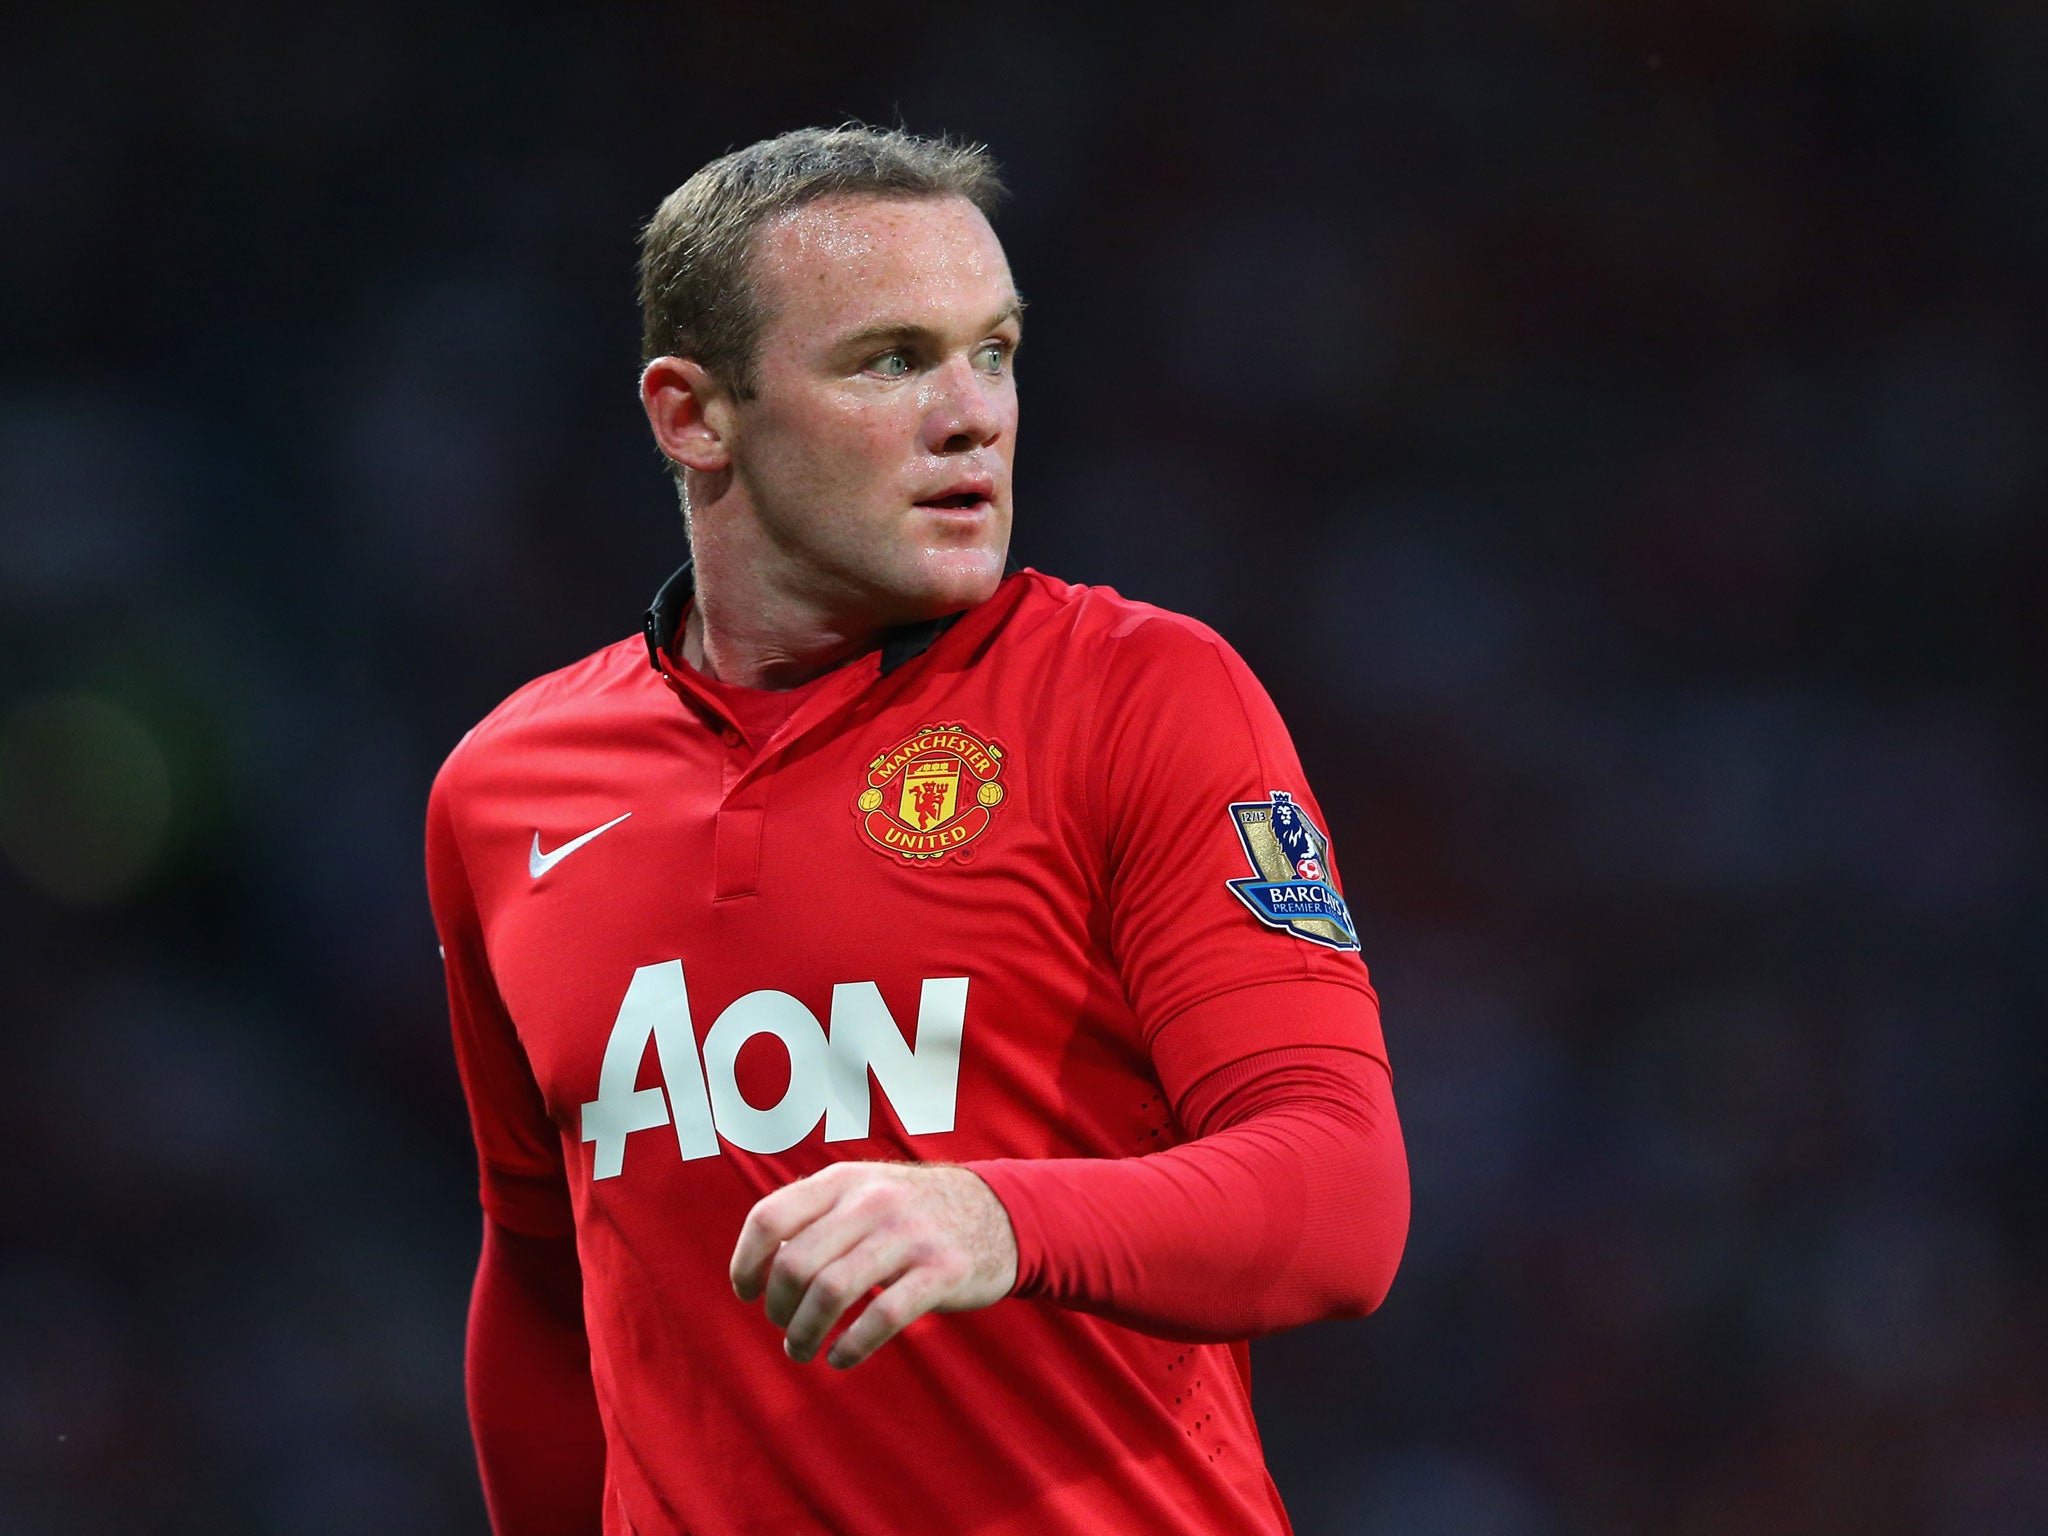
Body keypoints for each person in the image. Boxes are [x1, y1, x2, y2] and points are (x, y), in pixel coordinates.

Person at [426, 124, 1410, 1536]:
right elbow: (538, 1275)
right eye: (892, 361)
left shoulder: (1137, 695)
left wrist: (995, 1222)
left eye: (994, 353)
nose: (974, 415)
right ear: (692, 414)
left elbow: (1341, 1196)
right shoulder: (503, 792)